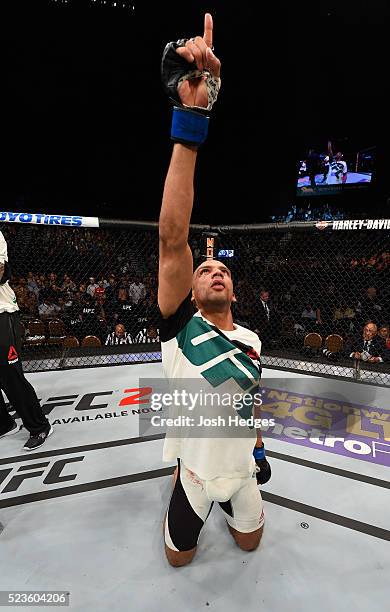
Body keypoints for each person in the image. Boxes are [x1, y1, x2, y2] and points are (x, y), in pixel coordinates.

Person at [159, 14, 270, 568]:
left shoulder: (251, 340)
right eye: (205, 270)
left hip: (241, 470)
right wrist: (191, 121)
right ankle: (180, 474)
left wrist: (260, 448)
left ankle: (237, 499)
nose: (214, 271)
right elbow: (174, 237)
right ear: (192, 287)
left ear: (234, 287)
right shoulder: (181, 326)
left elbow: (246, 405)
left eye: (222, 269)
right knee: (179, 560)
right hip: (198, 473)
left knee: (251, 543)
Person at [0, 231, 53, 450]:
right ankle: (4, 424)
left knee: (11, 375)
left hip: (2, 312)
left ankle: (39, 426)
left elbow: (1, 272)